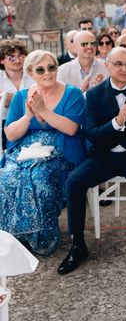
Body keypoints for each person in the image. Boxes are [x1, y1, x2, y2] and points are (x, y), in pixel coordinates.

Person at [58, 47, 126, 275]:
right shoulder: (94, 95)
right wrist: (117, 121)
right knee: (74, 181)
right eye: (118, 64)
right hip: (104, 155)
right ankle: (78, 244)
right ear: (108, 65)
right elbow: (92, 134)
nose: (124, 69)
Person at [0, 50, 85, 255]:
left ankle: (41, 238)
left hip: (61, 150)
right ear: (30, 72)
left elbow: (72, 128)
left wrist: (44, 111)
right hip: (25, 151)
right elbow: (10, 134)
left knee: (38, 177)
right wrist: (28, 116)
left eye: (52, 67)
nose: (47, 73)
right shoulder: (22, 96)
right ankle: (14, 237)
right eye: (40, 69)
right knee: (7, 177)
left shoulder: (72, 93)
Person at [0, 40, 33, 149]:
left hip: (32, 121)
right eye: (11, 58)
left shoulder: (33, 75)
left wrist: (14, 100)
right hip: (4, 123)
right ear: (2, 60)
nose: (17, 60)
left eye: (21, 56)